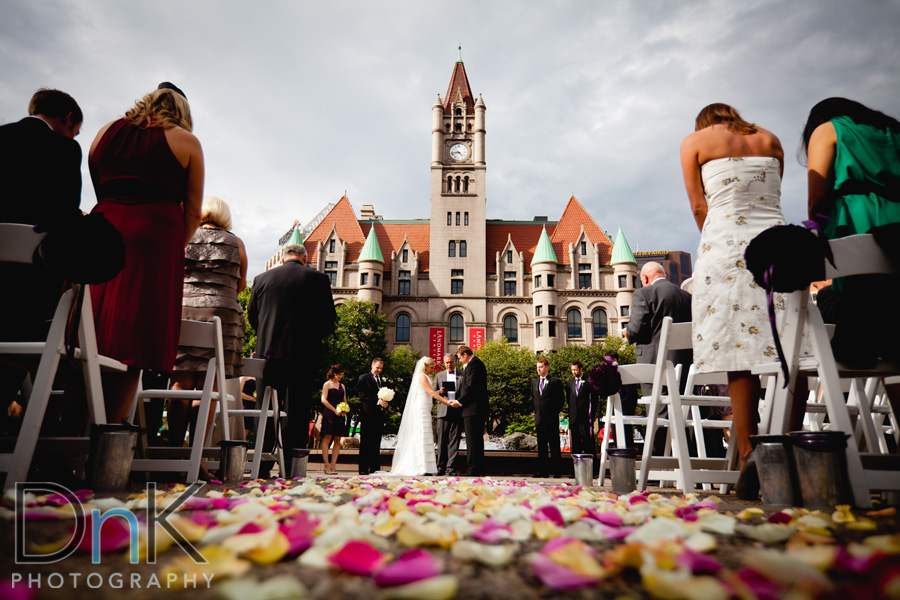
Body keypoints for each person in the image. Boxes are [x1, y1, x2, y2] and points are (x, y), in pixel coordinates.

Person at [680, 102, 787, 470]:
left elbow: (698, 206)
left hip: (726, 246)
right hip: (777, 246)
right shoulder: (771, 139)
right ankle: (789, 450)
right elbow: (771, 198)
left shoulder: (694, 141)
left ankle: (748, 454)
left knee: (738, 355)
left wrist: (717, 238)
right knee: (791, 348)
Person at [89, 82, 204, 423]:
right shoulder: (186, 141)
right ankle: (110, 430)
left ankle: (68, 434)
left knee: (88, 333)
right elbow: (193, 214)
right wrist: (170, 249)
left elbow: (100, 192)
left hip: (99, 235)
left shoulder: (103, 134)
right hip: (154, 241)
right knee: (135, 344)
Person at [797, 97, 900, 425]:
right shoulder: (892, 131)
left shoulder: (828, 131)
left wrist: (814, 232)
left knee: (863, 311)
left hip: (858, 222)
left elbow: (817, 197)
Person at [0, 89, 83, 403]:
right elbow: (66, 215)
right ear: (68, 119)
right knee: (29, 335)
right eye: (75, 130)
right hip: (31, 277)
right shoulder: (64, 148)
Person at [167, 196, 247, 472]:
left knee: (180, 381)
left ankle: (174, 450)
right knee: (208, 386)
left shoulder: (184, 236)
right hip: (221, 318)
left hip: (183, 312)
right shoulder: (237, 243)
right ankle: (196, 455)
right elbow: (241, 286)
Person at [247, 243, 336, 454]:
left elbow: (252, 316)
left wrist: (267, 337)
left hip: (267, 355)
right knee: (297, 408)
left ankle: (262, 458)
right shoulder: (319, 279)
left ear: (282, 259)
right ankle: (292, 460)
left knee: (265, 407)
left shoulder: (261, 279)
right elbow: (328, 319)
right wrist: (312, 337)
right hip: (303, 355)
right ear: (305, 259)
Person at [624, 261, 693, 454]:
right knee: (684, 412)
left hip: (654, 365)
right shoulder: (687, 297)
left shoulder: (643, 294)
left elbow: (635, 329)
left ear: (645, 278)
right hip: (684, 366)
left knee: (658, 412)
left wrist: (626, 333)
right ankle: (687, 458)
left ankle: (659, 461)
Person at [389, 356, 460, 476]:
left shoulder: (426, 376)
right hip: (421, 409)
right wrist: (447, 402)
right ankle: (420, 466)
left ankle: (425, 466)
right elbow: (431, 392)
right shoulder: (422, 376)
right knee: (421, 434)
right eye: (431, 367)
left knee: (425, 435)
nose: (432, 369)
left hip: (426, 408)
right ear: (425, 366)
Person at [455, 345, 489, 476]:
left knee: (472, 440)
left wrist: (459, 401)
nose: (459, 360)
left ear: (465, 354)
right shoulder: (476, 363)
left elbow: (470, 387)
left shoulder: (473, 365)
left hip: (473, 408)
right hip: (476, 408)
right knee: (477, 440)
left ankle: (473, 469)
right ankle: (479, 469)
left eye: (460, 358)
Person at [532, 356, 564, 478]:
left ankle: (557, 472)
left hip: (551, 419)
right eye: (537, 367)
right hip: (539, 419)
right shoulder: (534, 383)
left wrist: (553, 412)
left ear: (546, 367)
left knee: (554, 445)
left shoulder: (555, 382)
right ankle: (543, 471)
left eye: (541, 367)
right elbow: (534, 399)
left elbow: (560, 400)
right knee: (541, 446)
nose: (538, 369)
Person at [434, 353, 463, 475]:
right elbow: (433, 392)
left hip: (457, 410)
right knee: (441, 441)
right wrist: (440, 392)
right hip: (443, 411)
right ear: (444, 363)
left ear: (455, 362)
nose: (449, 364)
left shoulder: (462, 375)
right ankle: (440, 467)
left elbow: (465, 392)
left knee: (454, 441)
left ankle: (451, 468)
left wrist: (459, 402)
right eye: (447, 362)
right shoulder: (439, 375)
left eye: (451, 362)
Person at [357, 357, 388, 475]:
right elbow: (362, 395)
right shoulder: (363, 378)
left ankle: (375, 467)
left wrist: (385, 402)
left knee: (376, 441)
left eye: (381, 368)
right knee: (366, 441)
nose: (379, 370)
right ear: (372, 365)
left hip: (379, 415)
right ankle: (363, 468)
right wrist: (377, 401)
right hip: (367, 414)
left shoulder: (382, 380)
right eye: (377, 367)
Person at [320, 365, 348, 475]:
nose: (341, 376)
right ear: (334, 374)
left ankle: (333, 465)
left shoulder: (342, 386)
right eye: (339, 374)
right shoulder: (327, 384)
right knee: (327, 438)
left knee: (337, 439)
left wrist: (344, 410)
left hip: (340, 415)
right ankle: (326, 465)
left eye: (342, 375)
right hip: (330, 413)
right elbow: (323, 400)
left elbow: (344, 400)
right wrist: (334, 410)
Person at [567, 361, 595, 458]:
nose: (573, 372)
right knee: (575, 443)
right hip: (574, 417)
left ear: (581, 369)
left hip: (585, 417)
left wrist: (592, 415)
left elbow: (594, 400)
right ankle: (576, 465)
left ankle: (590, 464)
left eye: (575, 370)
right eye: (572, 370)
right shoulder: (570, 383)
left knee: (588, 442)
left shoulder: (589, 381)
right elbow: (568, 399)